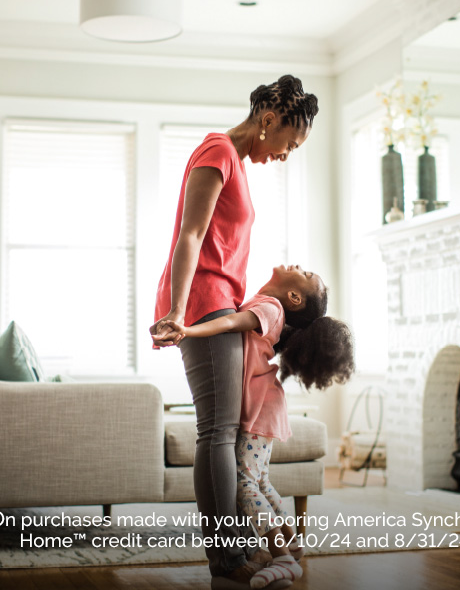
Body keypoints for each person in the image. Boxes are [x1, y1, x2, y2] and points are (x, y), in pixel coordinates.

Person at [150, 76, 319, 590]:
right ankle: (227, 558)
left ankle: (232, 551)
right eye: (289, 143)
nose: (286, 154)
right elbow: (191, 234)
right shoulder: (218, 149)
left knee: (219, 433)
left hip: (216, 302)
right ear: (269, 121)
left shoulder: (236, 163)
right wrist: (180, 312)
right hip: (203, 304)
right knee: (218, 434)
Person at [156, 263, 355, 589]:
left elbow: (232, 322)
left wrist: (187, 329)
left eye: (305, 275)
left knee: (245, 484)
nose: (299, 267)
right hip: (266, 407)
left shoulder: (270, 307)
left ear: (293, 297)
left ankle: (281, 557)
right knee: (259, 481)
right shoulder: (270, 305)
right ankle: (291, 543)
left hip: (261, 408)